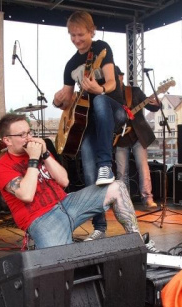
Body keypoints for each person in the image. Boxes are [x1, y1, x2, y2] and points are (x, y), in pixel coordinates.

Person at [0, 113, 156, 251]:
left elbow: (64, 180)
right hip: (41, 220)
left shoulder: (37, 152)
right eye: (22, 135)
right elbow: (26, 195)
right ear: (7, 140)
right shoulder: (1, 166)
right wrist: (34, 159)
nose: (28, 138)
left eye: (29, 132)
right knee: (61, 263)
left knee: (117, 187)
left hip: (67, 203)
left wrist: (45, 154)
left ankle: (138, 243)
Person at [53, 11, 127, 241]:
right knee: (88, 175)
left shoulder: (102, 48)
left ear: (91, 31)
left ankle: (106, 164)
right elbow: (66, 97)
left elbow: (113, 83)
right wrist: (58, 100)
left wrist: (100, 89)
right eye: (72, 35)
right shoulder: (70, 65)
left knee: (101, 101)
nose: (77, 39)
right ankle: (99, 227)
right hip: (88, 123)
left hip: (113, 108)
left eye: (81, 34)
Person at [114, 66, 160, 209]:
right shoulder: (109, 96)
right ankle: (123, 200)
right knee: (121, 172)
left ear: (121, 77)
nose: (116, 79)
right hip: (120, 138)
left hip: (138, 135)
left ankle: (147, 197)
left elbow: (151, 107)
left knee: (143, 167)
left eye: (118, 76)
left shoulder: (133, 91)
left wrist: (157, 104)